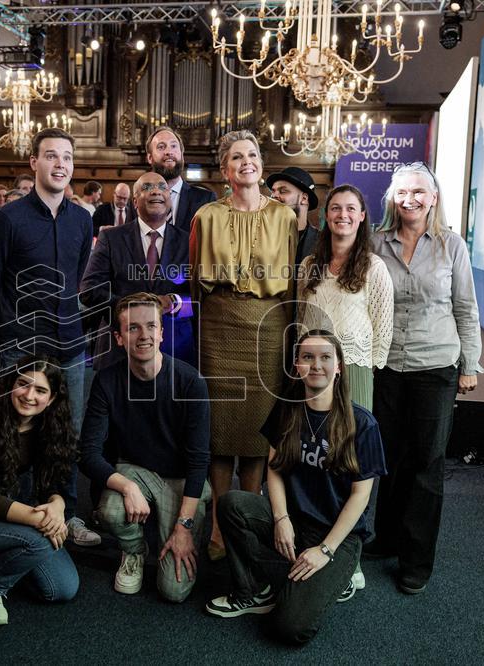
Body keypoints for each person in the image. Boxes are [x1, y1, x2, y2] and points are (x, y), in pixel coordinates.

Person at [205, 331, 386, 645]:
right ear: (297, 366)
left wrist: (325, 551)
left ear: (339, 366)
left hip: (337, 537)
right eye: (308, 357)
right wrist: (280, 518)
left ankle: (338, 575)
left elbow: (360, 495)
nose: (316, 365)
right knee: (232, 503)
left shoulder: (362, 423)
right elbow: (273, 470)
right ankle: (253, 590)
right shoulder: (287, 410)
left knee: (289, 629)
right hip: (296, 519)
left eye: (325, 357)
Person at [0, 126, 100, 548]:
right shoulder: (7, 219)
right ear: (34, 162)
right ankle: (11, 514)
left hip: (68, 339)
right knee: (12, 430)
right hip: (16, 344)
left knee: (65, 431)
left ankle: (63, 509)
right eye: (51, 156)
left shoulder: (82, 220)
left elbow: (77, 278)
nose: (60, 164)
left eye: (67, 157)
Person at [368, 161, 483, 594]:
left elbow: (466, 308)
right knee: (390, 458)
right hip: (387, 366)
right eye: (402, 193)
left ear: (433, 198)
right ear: (391, 201)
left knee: (426, 463)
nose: (410, 199)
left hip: (436, 366)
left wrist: (470, 364)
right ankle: (388, 539)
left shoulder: (452, 246)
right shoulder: (376, 244)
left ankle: (416, 560)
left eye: (419, 192)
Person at [190, 129, 297, 560]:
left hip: (269, 330)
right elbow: (195, 285)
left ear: (261, 165)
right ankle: (218, 521)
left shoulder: (285, 217)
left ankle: (246, 517)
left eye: (251, 155)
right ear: (225, 169)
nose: (245, 162)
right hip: (219, 328)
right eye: (236, 157)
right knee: (220, 430)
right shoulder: (206, 216)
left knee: (256, 432)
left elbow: (292, 285)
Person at [79, 293, 211, 602]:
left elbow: (199, 460)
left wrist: (184, 526)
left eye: (151, 326)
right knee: (110, 511)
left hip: (179, 480)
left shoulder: (191, 382)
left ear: (162, 332)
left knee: (174, 591)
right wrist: (126, 486)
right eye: (133, 328)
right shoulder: (107, 381)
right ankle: (134, 550)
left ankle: (180, 527)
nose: (144, 335)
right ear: (119, 337)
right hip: (134, 472)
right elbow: (88, 454)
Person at [0, 356, 80, 622]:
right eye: (23, 384)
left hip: (13, 507)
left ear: (53, 398)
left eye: (40, 390)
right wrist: (44, 521)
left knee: (62, 587)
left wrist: (57, 505)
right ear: (11, 384)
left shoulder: (49, 427)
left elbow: (52, 484)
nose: (29, 395)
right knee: (39, 540)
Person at [80, 172, 194, 369]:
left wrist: (175, 302)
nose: (156, 191)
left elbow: (200, 295)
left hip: (175, 350)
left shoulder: (188, 242)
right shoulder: (111, 238)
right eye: (147, 187)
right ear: (135, 201)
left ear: (170, 199)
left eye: (162, 187)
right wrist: (133, 307)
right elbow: (89, 290)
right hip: (119, 349)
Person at [298, 185, 393, 410]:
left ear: (361, 216)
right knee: (316, 436)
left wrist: (368, 367)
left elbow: (383, 328)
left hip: (355, 366)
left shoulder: (374, 267)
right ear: (327, 215)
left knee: (353, 437)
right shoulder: (308, 265)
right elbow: (301, 317)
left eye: (350, 208)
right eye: (335, 208)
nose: (343, 215)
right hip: (313, 366)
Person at [145, 126, 216, 233]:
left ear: (182, 155)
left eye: (173, 146)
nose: (169, 152)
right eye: (161, 147)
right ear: (150, 158)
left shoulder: (206, 200)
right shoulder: (140, 198)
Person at [267, 166, 320, 271]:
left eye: (283, 191)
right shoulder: (261, 235)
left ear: (304, 198)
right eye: (273, 191)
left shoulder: (322, 241)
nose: (273, 196)